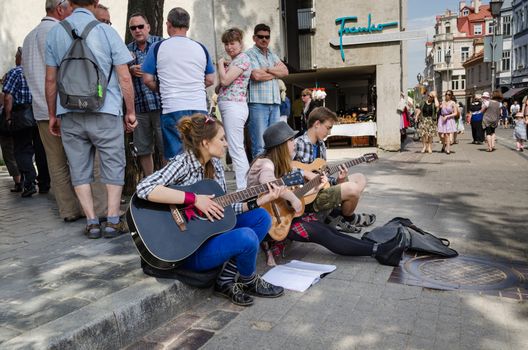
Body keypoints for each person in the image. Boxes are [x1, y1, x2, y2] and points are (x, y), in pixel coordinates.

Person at [136, 114, 285, 306]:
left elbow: (224, 207)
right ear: (206, 142)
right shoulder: (183, 163)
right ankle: (248, 280)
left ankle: (226, 279)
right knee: (246, 237)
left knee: (261, 217)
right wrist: (194, 199)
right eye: (221, 139)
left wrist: (261, 200)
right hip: (188, 247)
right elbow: (144, 188)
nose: (226, 144)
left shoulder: (215, 165)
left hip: (209, 232)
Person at [247, 121, 405, 267]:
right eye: (291, 140)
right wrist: (292, 198)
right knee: (323, 233)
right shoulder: (264, 162)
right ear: (281, 145)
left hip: (283, 215)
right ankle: (381, 251)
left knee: (327, 230)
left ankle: (380, 249)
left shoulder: (283, 163)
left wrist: (315, 183)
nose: (294, 143)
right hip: (269, 222)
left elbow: (298, 175)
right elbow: (269, 182)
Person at [45, 0, 137, 238]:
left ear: (69, 3)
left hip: (69, 111)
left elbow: (51, 80)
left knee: (78, 166)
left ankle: (92, 222)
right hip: (105, 109)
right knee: (114, 163)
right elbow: (124, 77)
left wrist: (53, 114)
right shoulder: (106, 31)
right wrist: (130, 111)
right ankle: (113, 219)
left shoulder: (56, 32)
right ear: (95, 3)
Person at [142, 7, 215, 160]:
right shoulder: (201, 48)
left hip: (172, 107)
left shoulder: (157, 48)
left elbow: (147, 79)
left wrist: (163, 90)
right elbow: (210, 79)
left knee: (177, 158)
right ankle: (201, 183)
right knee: (200, 153)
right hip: (199, 107)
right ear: (187, 26)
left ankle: (181, 184)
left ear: (168, 24)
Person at [293, 107, 375, 233]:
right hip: (308, 197)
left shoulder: (321, 145)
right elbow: (283, 170)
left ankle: (341, 217)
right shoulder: (297, 144)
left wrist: (340, 179)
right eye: (328, 127)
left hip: (322, 188)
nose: (330, 133)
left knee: (360, 178)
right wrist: (304, 173)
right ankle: (349, 218)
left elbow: (323, 175)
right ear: (317, 124)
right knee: (353, 188)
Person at [3, 47, 48, 197]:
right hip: (39, 112)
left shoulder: (14, 72)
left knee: (22, 149)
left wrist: (8, 117)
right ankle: (44, 184)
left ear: (19, 58)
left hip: (21, 114)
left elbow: (8, 97)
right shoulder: (39, 71)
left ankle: (29, 183)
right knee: (40, 150)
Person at [127, 13, 164, 177]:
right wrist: (129, 70)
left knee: (166, 147)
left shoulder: (161, 44)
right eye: (133, 28)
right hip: (139, 106)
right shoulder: (126, 50)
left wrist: (150, 70)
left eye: (140, 26)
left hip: (162, 104)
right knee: (143, 149)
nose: (137, 30)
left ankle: (167, 183)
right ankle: (151, 183)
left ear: (148, 27)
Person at [246, 23, 289, 158]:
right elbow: (256, 75)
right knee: (259, 144)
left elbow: (285, 71)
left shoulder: (272, 55)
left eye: (267, 37)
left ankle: (272, 174)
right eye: (261, 37)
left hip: (275, 103)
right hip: (258, 103)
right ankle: (258, 177)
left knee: (275, 143)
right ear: (254, 38)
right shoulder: (249, 54)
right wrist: (275, 72)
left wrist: (267, 69)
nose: (264, 40)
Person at [216, 27, 251, 190]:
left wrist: (220, 64)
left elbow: (224, 81)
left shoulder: (243, 59)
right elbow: (221, 86)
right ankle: (243, 185)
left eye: (232, 43)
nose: (229, 47)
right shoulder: (236, 61)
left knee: (236, 147)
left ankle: (243, 187)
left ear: (240, 43)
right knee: (235, 146)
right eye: (226, 44)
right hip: (231, 106)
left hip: (234, 107)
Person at [0, 90, 21, 192]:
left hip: (7, 132)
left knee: (10, 156)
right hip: (19, 128)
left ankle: (18, 182)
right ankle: (24, 179)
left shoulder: (5, 96)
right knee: (18, 154)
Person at [437, 90, 458, 155]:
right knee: (440, 134)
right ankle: (444, 144)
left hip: (449, 119)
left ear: (451, 96)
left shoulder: (453, 103)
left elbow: (455, 113)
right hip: (442, 118)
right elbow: (437, 109)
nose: (447, 95)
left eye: (449, 94)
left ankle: (448, 149)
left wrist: (448, 116)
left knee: (447, 134)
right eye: (446, 94)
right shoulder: (442, 102)